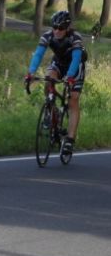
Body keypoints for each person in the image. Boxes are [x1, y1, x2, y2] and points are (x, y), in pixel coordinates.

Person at [25, 11, 87, 155]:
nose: (57, 31)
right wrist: (31, 73)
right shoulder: (48, 36)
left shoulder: (75, 37)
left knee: (73, 100)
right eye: (54, 27)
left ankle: (70, 140)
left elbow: (76, 58)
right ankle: (52, 109)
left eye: (61, 28)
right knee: (48, 80)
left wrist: (70, 77)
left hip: (76, 66)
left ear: (67, 28)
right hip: (59, 63)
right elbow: (38, 54)